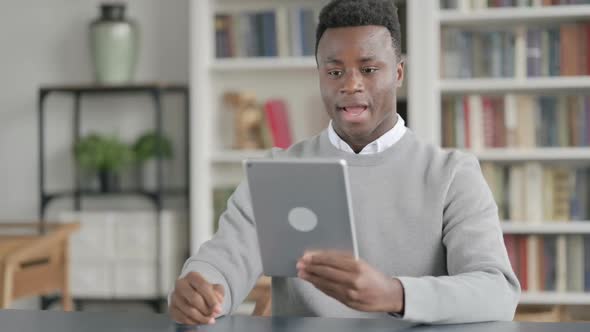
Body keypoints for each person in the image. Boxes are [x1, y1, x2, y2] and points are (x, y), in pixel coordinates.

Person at [169, 0, 520, 325]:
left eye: (368, 69)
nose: (351, 85)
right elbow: (223, 259)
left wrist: (393, 294)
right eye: (334, 72)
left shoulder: (452, 174)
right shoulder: (280, 171)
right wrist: (199, 288)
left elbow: (497, 291)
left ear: (398, 73)